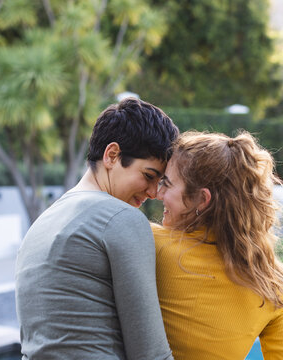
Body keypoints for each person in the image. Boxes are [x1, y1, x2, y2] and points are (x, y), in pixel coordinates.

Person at [15, 98, 178, 360]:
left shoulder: (41, 224)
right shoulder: (121, 218)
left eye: (160, 183)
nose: (152, 193)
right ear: (112, 155)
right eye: (148, 176)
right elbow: (150, 354)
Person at [152, 131, 283, 360]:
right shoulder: (271, 284)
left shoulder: (149, 243)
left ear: (202, 200)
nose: (157, 193)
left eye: (167, 184)